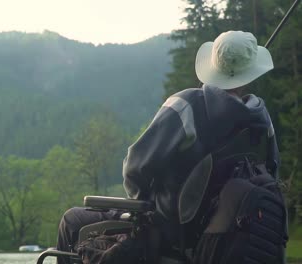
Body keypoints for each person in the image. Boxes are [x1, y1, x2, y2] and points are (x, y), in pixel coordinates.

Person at [56, 30, 279, 263]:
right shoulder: (262, 122)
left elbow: (135, 167)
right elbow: (272, 175)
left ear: (214, 66)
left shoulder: (185, 106)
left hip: (168, 234)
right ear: (251, 75)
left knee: (72, 221)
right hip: (225, 238)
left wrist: (141, 208)